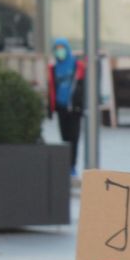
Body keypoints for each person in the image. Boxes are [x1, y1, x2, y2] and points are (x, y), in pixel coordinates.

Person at [47, 38, 85, 174]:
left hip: (75, 109)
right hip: (61, 108)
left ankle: (72, 166)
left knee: (74, 138)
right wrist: (50, 109)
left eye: (62, 48)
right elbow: (51, 88)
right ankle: (66, 164)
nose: (60, 52)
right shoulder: (54, 68)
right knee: (64, 138)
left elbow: (83, 86)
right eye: (57, 49)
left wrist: (81, 104)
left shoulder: (77, 66)